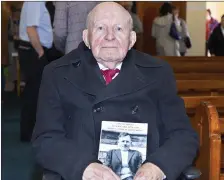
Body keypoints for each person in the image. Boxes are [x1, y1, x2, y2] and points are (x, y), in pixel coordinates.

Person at [32, 2, 199, 180]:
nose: (110, 36)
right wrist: (83, 168)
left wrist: (158, 166)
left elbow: (183, 135)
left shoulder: (158, 73)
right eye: (100, 28)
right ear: (86, 37)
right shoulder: (57, 74)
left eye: (119, 29)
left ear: (132, 39)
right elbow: (45, 139)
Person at [18, 1, 57, 142]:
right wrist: (40, 52)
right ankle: (29, 132)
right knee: (34, 93)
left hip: (34, 50)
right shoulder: (35, 2)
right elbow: (31, 29)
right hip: (33, 50)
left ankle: (30, 131)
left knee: (34, 92)